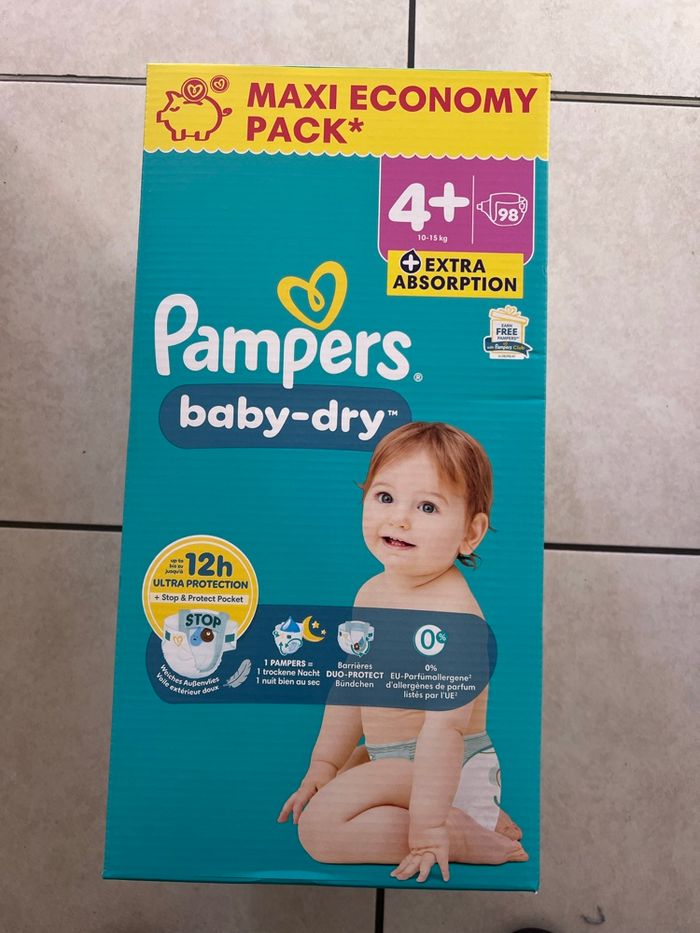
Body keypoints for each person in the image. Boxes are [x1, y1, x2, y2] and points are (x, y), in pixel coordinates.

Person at [278, 421, 527, 882]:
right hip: (393, 760)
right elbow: (353, 685)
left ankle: (461, 832)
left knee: (319, 831)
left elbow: (444, 733)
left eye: (427, 506)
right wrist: (324, 764)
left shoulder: (456, 619)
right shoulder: (371, 591)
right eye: (385, 497)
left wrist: (428, 831)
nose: (399, 519)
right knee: (337, 782)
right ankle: (479, 817)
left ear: (470, 533)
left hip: (443, 769)